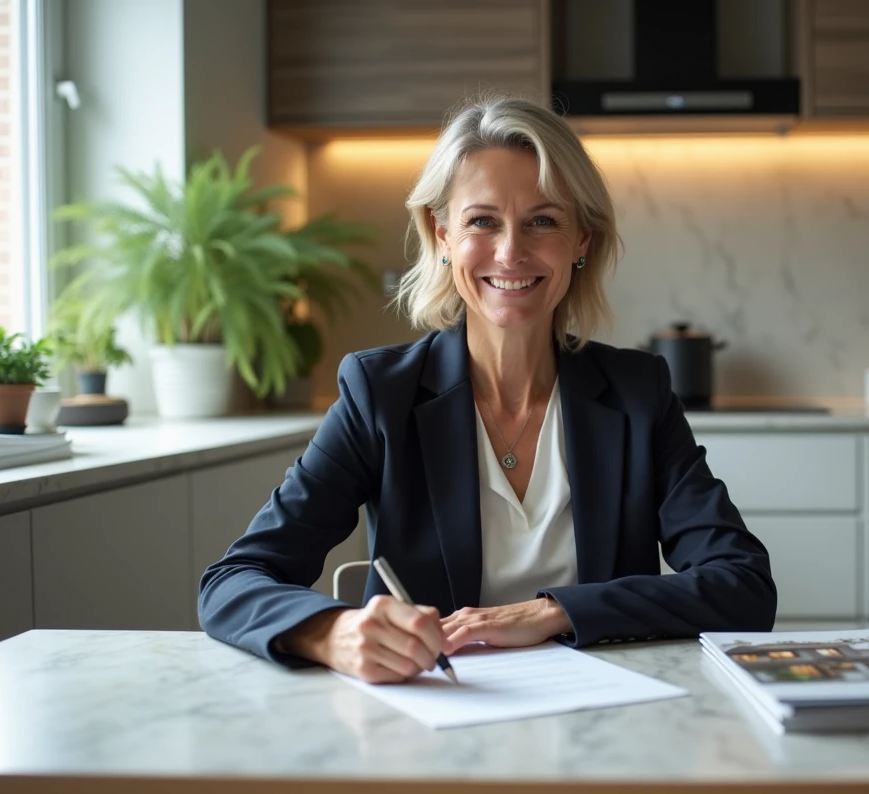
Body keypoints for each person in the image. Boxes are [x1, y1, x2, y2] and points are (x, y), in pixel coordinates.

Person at [198, 95, 777, 685]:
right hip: (435, 716)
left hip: (605, 726)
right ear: (441, 233)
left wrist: (553, 613)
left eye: (543, 221)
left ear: (582, 239)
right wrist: (332, 632)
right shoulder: (380, 394)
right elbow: (234, 582)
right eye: (482, 221)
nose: (510, 252)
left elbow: (744, 585)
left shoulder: (637, 393)